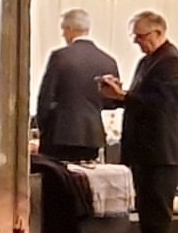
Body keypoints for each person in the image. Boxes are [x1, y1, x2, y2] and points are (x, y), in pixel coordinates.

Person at [113, 11, 178, 233]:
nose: (138, 42)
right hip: (146, 149)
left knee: (157, 214)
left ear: (158, 32)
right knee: (147, 212)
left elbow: (162, 104)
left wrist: (125, 96)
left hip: (161, 150)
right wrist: (121, 96)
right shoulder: (149, 61)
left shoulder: (171, 62)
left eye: (141, 37)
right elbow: (141, 100)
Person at [32, 9, 119, 162]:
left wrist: (43, 128)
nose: (63, 35)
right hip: (92, 134)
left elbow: (45, 97)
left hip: (60, 133)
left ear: (70, 29)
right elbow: (112, 101)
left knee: (58, 180)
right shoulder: (108, 60)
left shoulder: (60, 57)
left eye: (63, 30)